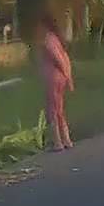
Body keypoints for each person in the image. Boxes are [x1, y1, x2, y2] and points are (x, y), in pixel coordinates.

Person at [34, 13, 74, 151]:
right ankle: (66, 140)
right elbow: (65, 58)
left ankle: (58, 142)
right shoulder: (57, 39)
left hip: (53, 78)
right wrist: (68, 76)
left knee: (53, 110)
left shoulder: (49, 40)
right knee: (59, 109)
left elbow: (59, 58)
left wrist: (67, 76)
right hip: (59, 77)